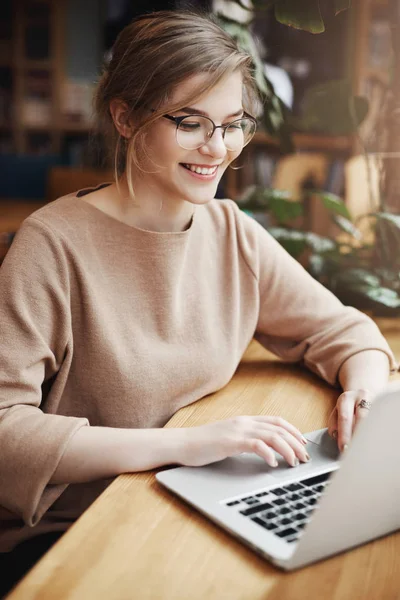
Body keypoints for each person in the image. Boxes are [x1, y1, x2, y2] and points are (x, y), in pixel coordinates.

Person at [0, 9, 397, 596]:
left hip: (188, 499)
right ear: (126, 118)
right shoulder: (51, 246)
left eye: (234, 123)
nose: (219, 148)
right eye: (191, 122)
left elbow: (346, 331)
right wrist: (185, 445)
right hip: (74, 533)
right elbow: (6, 433)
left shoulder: (229, 230)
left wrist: (363, 397)